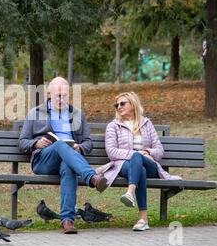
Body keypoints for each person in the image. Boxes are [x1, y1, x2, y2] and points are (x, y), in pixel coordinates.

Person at [19, 77, 107, 234]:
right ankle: (92, 177)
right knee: (59, 144)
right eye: (57, 96)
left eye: (64, 96)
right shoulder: (35, 113)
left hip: (68, 160)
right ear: (49, 94)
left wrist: (79, 148)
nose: (61, 99)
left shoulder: (77, 114)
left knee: (68, 166)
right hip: (43, 161)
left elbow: (88, 142)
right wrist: (36, 144)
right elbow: (22, 142)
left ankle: (67, 220)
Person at [103, 92, 181, 231]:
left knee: (140, 162)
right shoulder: (113, 126)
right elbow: (111, 152)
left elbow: (159, 150)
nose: (118, 107)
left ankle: (130, 193)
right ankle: (143, 219)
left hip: (149, 164)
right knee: (139, 165)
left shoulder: (146, 123)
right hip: (123, 165)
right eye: (116, 105)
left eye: (122, 103)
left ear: (133, 105)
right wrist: (136, 154)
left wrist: (149, 152)